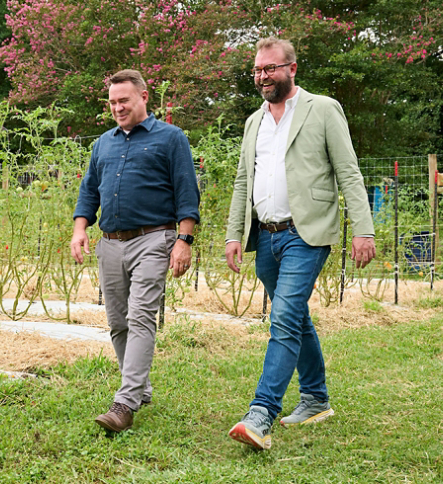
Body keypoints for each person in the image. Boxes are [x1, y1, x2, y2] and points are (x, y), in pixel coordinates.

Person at [225, 38, 376, 450]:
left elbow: (348, 171)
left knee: (284, 319)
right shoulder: (254, 121)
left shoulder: (322, 109)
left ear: (292, 69)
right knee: (295, 318)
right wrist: (234, 233)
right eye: (257, 70)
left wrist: (364, 229)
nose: (262, 76)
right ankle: (315, 399)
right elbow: (244, 180)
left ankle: (260, 415)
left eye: (270, 69)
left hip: (305, 234)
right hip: (266, 237)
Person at [71, 69, 200, 433]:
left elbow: (187, 193)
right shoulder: (103, 144)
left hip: (153, 239)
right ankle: (140, 389)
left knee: (142, 315)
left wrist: (184, 240)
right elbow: (88, 193)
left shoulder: (171, 139)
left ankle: (124, 403)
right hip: (110, 242)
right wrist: (80, 230)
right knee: (117, 322)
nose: (117, 107)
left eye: (123, 100)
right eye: (112, 102)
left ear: (144, 96)